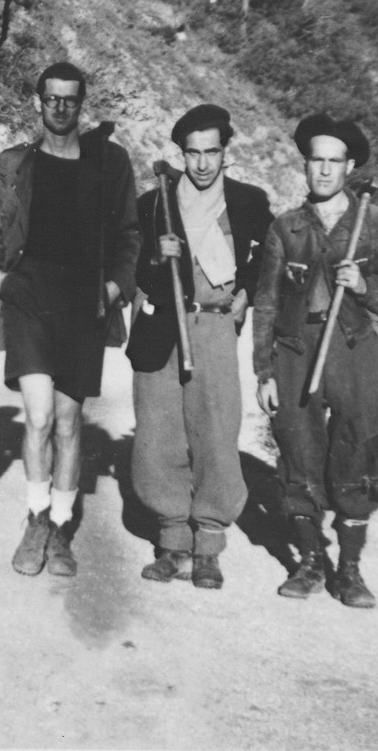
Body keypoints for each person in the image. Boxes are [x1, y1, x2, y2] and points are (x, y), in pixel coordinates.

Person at [252, 114, 378, 607]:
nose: (323, 171)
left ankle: (349, 569)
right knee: (298, 451)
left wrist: (364, 286)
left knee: (356, 450)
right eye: (315, 160)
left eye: (333, 161)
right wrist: (264, 370)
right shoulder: (286, 228)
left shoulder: (374, 223)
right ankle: (308, 562)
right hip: (297, 351)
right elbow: (266, 304)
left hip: (354, 348)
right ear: (305, 165)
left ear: (349, 168)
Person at [0, 62, 141, 578]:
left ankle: (59, 527)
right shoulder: (13, 163)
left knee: (70, 422)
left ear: (81, 104)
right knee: (39, 417)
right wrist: (1, 282)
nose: (59, 108)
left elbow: (129, 236)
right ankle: (34, 519)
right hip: (30, 299)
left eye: (70, 100)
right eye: (50, 98)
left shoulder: (110, 163)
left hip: (83, 304)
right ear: (37, 102)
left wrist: (115, 288)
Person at [128, 104, 273, 589]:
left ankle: (208, 543)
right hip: (162, 325)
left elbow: (265, 261)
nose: (203, 164)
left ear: (226, 152)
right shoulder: (155, 204)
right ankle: (171, 539)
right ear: (181, 154)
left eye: (212, 152)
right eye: (193, 153)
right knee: (159, 430)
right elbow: (133, 268)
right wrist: (155, 256)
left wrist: (247, 294)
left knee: (215, 428)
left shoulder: (249, 202)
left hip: (212, 328)